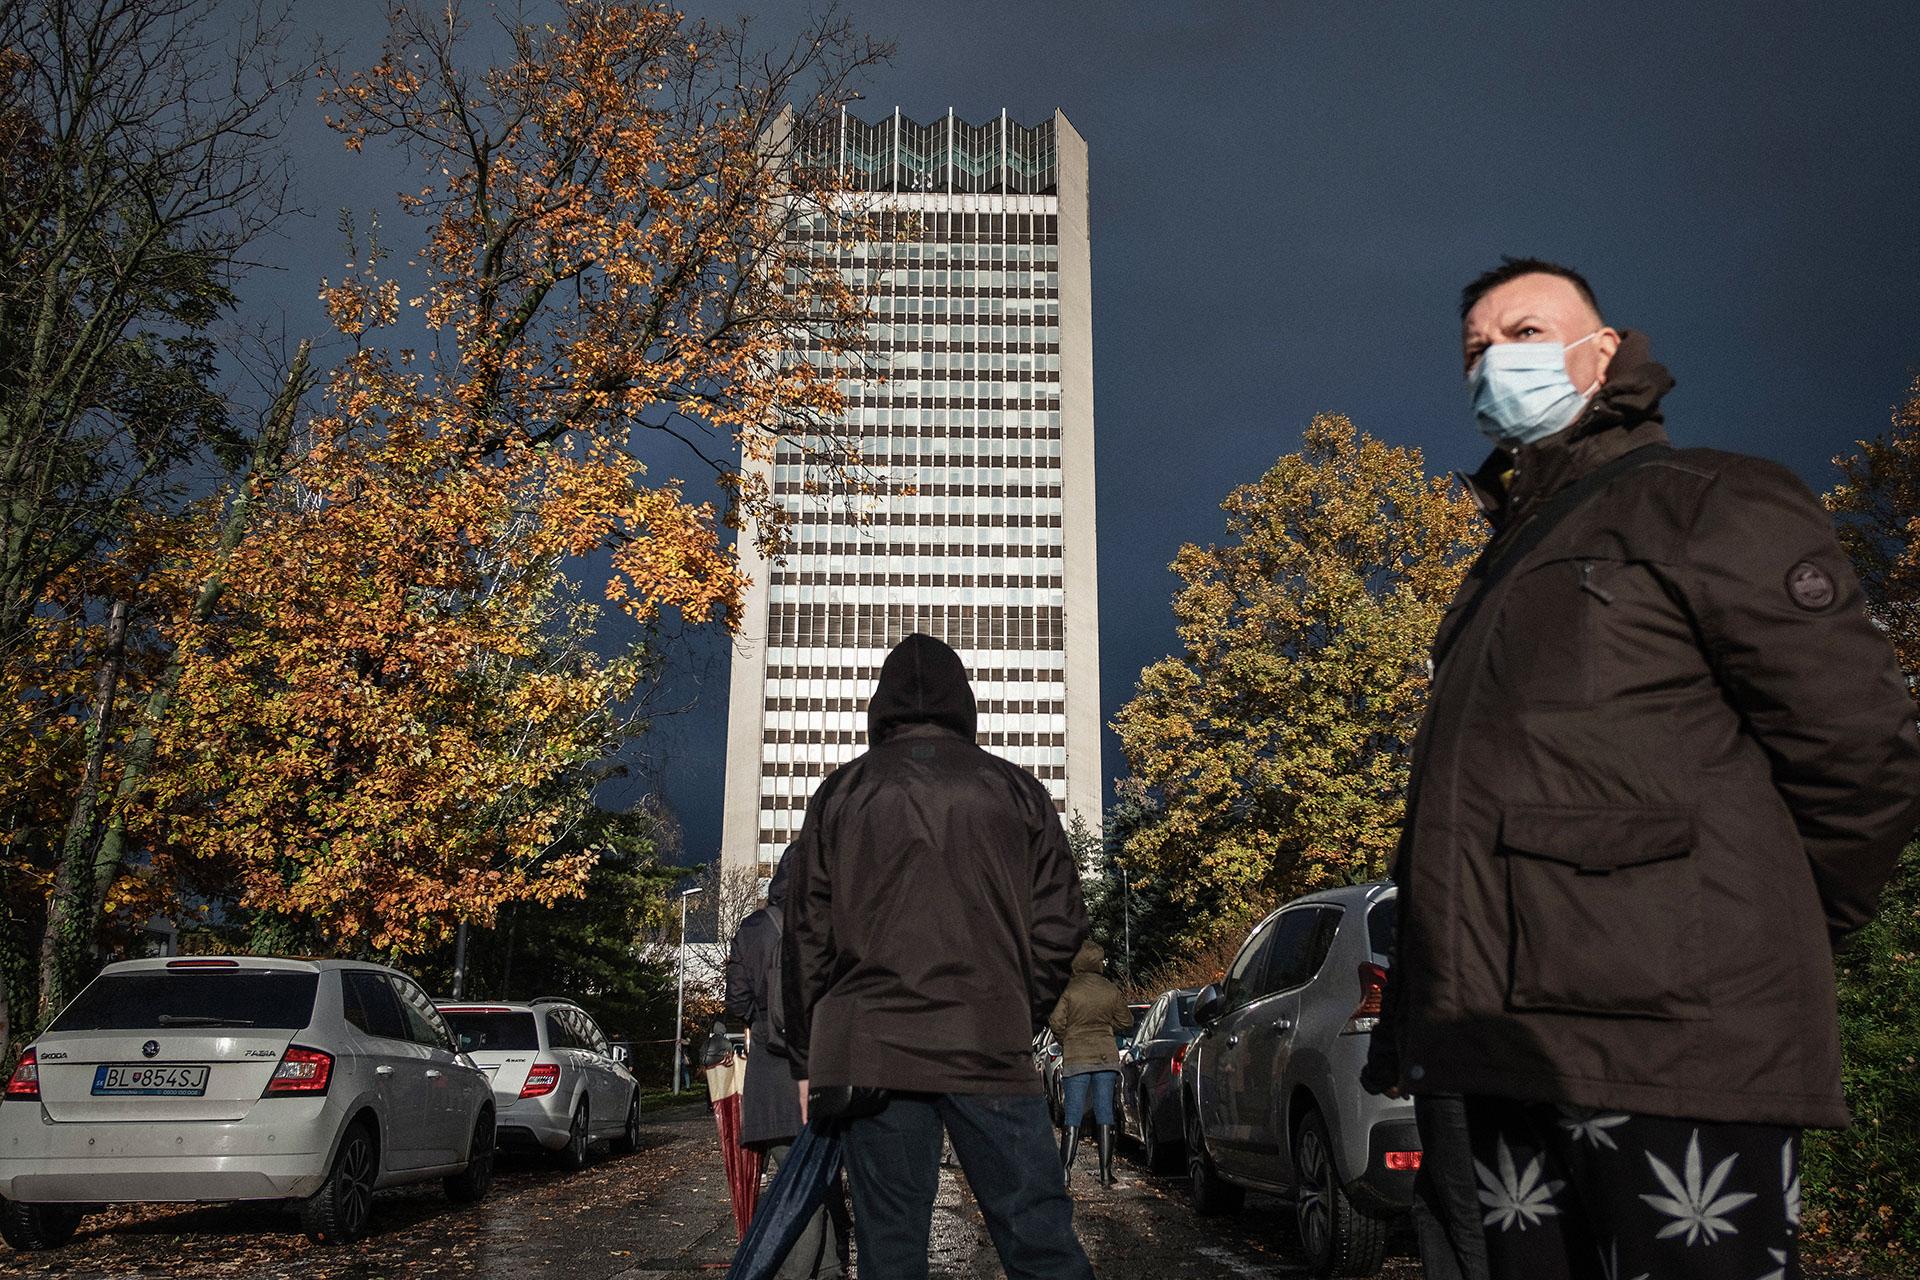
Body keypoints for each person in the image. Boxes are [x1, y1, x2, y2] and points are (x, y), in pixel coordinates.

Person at [1386, 256, 1920, 1280]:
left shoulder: (1707, 501)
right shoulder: (1502, 563)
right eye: (1475, 348)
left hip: (1679, 1051)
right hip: (1507, 1053)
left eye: (1526, 331)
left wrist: (1773, 927)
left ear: (1605, 351)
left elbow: (1861, 754)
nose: (1496, 358)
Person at [781, 633, 1094, 1280]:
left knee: (890, 1250)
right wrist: (1016, 1009)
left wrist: (807, 1057)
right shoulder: (1017, 793)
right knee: (1040, 1240)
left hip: (876, 1054)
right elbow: (1062, 924)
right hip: (988, 1042)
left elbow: (806, 937)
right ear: (963, 706)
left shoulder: (841, 795)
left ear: (880, 710)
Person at [725, 857, 844, 1278]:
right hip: (817, 1075)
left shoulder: (753, 929)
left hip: (769, 1083)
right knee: (809, 1193)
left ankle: (829, 1270)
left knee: (807, 1187)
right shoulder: (824, 932)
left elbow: (736, 1003)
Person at [1047, 940, 1132, 1188]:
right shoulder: (1110, 989)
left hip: (1076, 1056)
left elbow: (1055, 1022)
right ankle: (1106, 1174)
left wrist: (1068, 1039)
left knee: (1072, 1114)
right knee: (1105, 1112)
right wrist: (1106, 1029)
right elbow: (1126, 1021)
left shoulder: (1069, 990)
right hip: (1106, 1056)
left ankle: (1064, 1172)